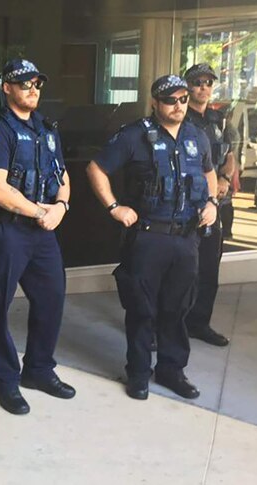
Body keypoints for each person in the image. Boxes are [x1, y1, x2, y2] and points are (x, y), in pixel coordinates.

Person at [86, 74, 217, 401]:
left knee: (177, 309)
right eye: (171, 100)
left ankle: (172, 370)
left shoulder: (196, 135)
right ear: (156, 102)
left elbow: (209, 171)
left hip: (186, 239)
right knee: (142, 309)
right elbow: (96, 169)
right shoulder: (134, 136)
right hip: (148, 237)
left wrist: (212, 202)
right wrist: (115, 207)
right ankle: (139, 373)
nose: (179, 106)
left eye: (183, 99)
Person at [0, 58, 75, 415]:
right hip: (7, 230)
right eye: (23, 83)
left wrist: (61, 207)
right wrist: (40, 212)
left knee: (52, 299)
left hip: (43, 230)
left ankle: (39, 369)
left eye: (36, 83)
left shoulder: (47, 129)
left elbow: (62, 176)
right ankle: (6, 380)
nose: (32, 89)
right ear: (7, 88)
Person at [182, 63, 239, 347]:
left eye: (208, 82)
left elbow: (230, 153)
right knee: (180, 270)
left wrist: (226, 177)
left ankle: (199, 323)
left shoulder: (220, 120)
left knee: (208, 269)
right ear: (188, 86)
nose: (203, 87)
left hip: (216, 204)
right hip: (186, 204)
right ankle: (169, 325)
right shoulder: (179, 117)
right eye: (197, 82)